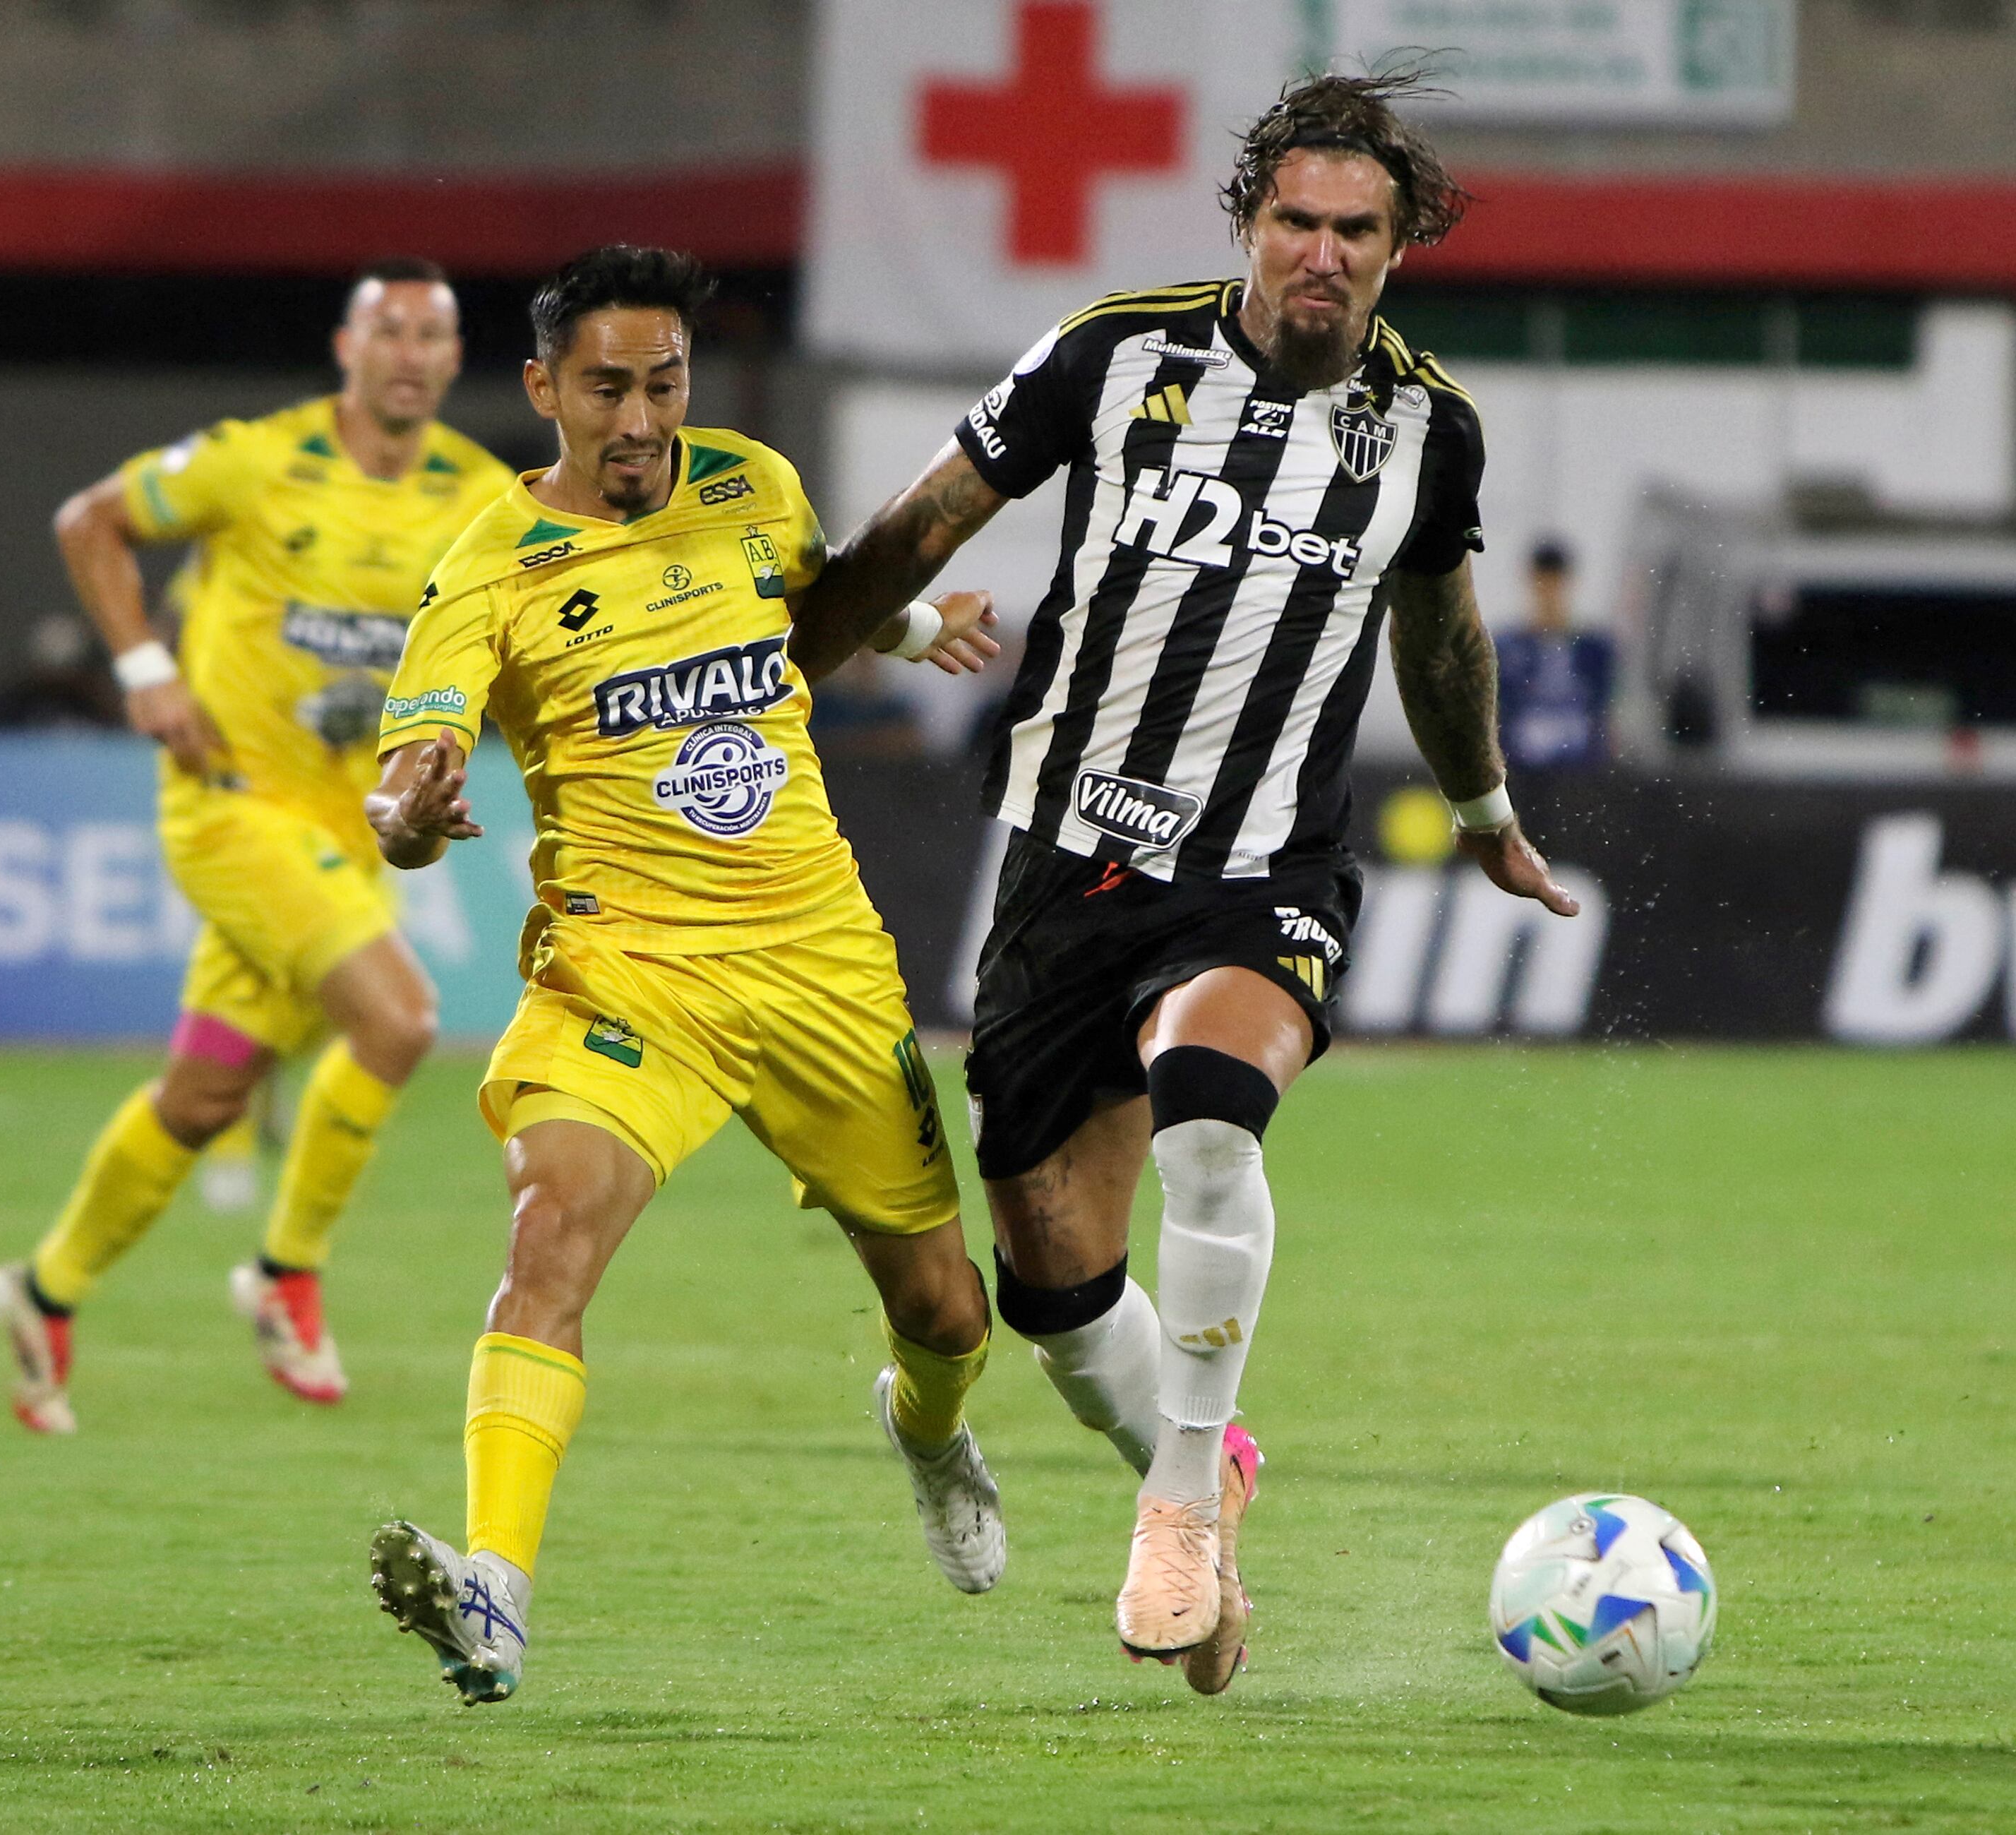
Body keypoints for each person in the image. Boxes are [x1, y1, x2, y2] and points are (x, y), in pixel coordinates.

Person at [797, 72, 1582, 1693]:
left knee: (1214, 1108)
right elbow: (922, 521)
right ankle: (1201, 1466)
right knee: (1053, 1281)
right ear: (1248, 222)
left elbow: (1434, 632)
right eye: (1292, 220)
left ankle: (1176, 1492)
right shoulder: (1112, 355)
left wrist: (1480, 799)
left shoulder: (1427, 432)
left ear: (1394, 249)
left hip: (1258, 877)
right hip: (1059, 870)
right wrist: (788, 658)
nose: (1318, 253)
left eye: (1350, 231)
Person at [361, 245, 1005, 1704]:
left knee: (950, 1312)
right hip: (627, 976)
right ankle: (495, 1595)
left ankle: (925, 1431)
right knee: (548, 1237)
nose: (642, 417)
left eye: (664, 382)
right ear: (542, 391)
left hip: (818, 969)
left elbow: (789, 601)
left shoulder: (750, 483)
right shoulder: (487, 570)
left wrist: (909, 625)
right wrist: (404, 823)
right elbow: (409, 774)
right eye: (607, 389)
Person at [0, 259, 515, 1433]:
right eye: (392, 330)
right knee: (401, 1018)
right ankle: (285, 1275)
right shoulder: (257, 459)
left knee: (205, 1089)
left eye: (436, 334)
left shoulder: (478, 495)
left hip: (347, 831)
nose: (414, 354)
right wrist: (145, 668)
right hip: (229, 805)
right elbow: (92, 521)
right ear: (348, 347)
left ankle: (44, 1288)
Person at [1494, 539, 1614, 772]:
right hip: (1520, 764)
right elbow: (1500, 713)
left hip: (1580, 766)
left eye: (1555, 582)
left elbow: (1604, 713)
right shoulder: (1509, 649)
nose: (1549, 592)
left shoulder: (1594, 649)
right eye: (1543, 583)